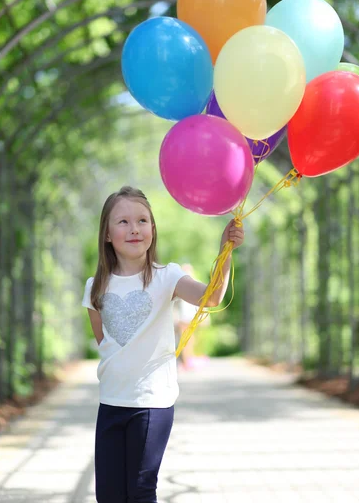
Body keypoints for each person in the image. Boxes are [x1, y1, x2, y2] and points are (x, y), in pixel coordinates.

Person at [82, 185, 244, 503]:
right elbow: (106, 342)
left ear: (153, 231)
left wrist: (225, 251)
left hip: (152, 405)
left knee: (141, 490)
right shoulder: (95, 286)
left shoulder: (166, 277)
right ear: (106, 234)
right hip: (111, 402)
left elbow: (211, 296)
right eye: (123, 222)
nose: (134, 229)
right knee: (109, 495)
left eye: (142, 221)